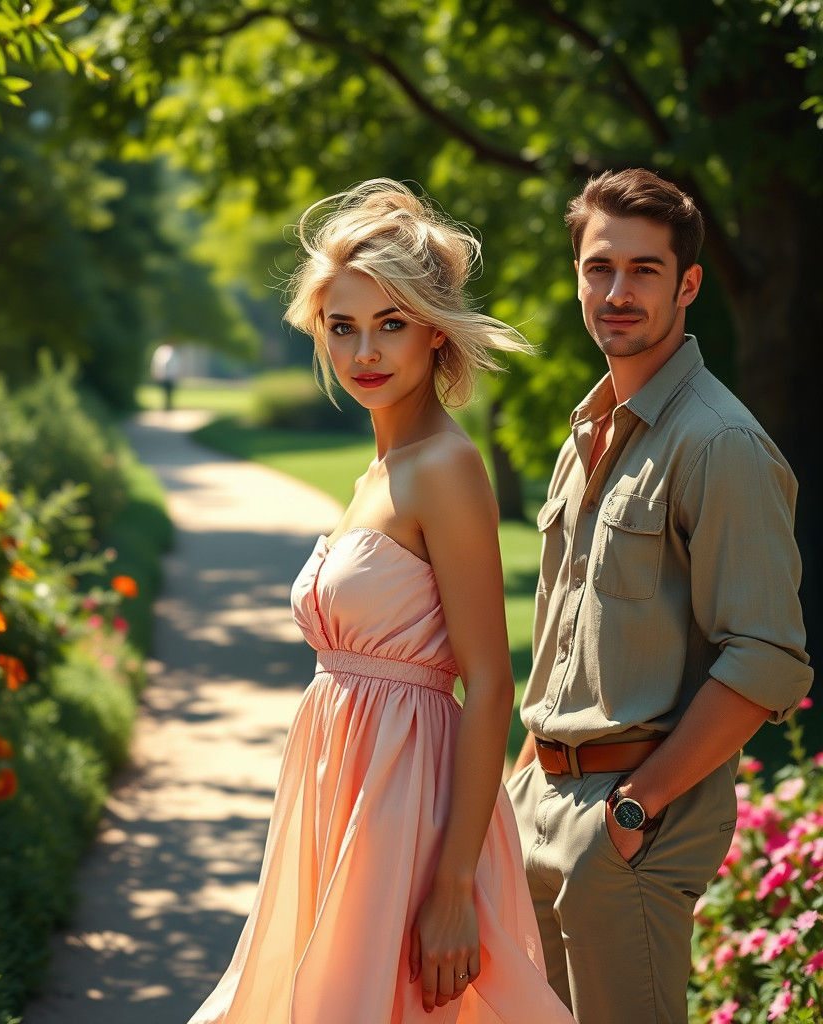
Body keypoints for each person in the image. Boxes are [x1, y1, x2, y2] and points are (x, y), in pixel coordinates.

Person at [188, 180, 575, 1023]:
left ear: (435, 331)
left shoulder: (444, 467)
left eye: (390, 323)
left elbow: (490, 683)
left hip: (409, 806)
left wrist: (450, 887)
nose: (365, 350)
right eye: (342, 326)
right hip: (340, 788)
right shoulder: (380, 472)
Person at [506, 168, 813, 1024]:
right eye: (599, 268)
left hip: (629, 819)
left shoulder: (718, 444)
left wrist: (634, 812)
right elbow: (568, 652)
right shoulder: (587, 434)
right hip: (541, 803)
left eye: (644, 271)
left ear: (688, 286)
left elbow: (766, 658)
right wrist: (517, 789)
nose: (617, 291)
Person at [150, 341, 181, 410]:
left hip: (167, 375)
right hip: (167, 375)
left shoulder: (163, 351)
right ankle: (167, 405)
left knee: (168, 392)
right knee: (167, 392)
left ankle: (167, 405)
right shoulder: (169, 352)